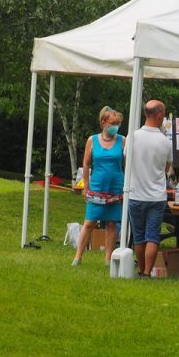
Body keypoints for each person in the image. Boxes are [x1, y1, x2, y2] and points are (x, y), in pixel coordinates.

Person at [72, 106, 125, 266]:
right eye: (113, 123)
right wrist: (86, 186)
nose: (116, 126)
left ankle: (108, 259)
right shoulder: (92, 140)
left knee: (111, 223)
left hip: (116, 187)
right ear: (103, 122)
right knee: (89, 222)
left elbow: (127, 164)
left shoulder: (123, 140)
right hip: (96, 187)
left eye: (118, 123)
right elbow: (86, 164)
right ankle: (78, 257)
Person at [125, 99, 172, 276]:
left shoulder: (132, 136)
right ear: (159, 115)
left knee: (138, 236)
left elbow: (127, 162)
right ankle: (146, 272)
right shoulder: (165, 141)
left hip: (135, 193)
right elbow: (166, 169)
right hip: (156, 197)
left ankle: (141, 268)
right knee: (152, 236)